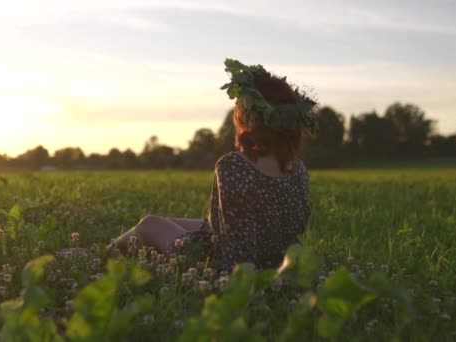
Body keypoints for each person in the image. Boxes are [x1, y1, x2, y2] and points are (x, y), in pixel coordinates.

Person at [110, 59, 316, 272]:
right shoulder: (298, 169)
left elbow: (237, 250)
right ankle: (106, 254)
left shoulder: (234, 165)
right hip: (278, 259)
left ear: (247, 118)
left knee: (149, 223)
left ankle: (101, 255)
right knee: (191, 223)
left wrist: (240, 278)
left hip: (220, 263)